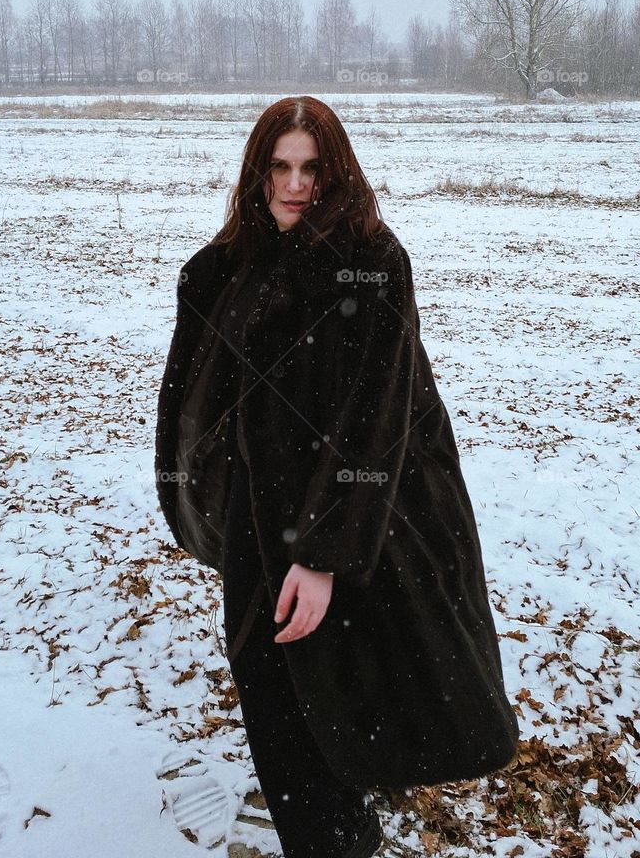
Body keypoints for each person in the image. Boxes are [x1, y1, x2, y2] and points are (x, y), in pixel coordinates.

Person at [154, 95, 520, 858]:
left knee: (336, 690)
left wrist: (322, 555)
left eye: (312, 168)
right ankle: (327, 828)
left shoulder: (372, 264)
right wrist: (199, 492)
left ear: (337, 171)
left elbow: (375, 420)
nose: (295, 185)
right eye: (280, 167)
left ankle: (339, 838)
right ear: (257, 174)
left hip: (346, 522)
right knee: (268, 692)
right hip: (256, 522)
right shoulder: (225, 269)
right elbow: (197, 396)